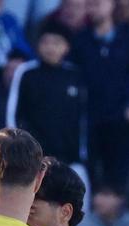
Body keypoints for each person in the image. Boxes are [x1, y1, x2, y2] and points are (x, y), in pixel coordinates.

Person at [73, 0, 129, 185]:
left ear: (112, 5)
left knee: (120, 177)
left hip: (123, 121)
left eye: (99, 3)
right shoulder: (80, 41)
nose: (94, 8)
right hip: (90, 120)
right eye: (90, 4)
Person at [6, 19, 88, 168]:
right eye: (46, 42)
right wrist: (18, 147)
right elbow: (13, 112)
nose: (50, 48)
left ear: (66, 47)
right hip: (33, 157)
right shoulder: (26, 72)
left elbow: (82, 118)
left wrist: (81, 154)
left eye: (56, 43)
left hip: (68, 159)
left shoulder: (75, 75)